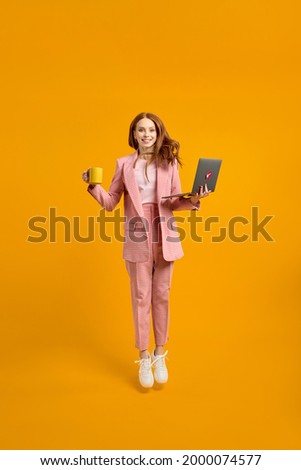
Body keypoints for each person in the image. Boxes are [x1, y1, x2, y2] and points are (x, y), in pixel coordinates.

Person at [82, 112, 211, 388]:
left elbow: (175, 201)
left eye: (151, 130)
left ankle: (159, 353)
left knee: (161, 296)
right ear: (134, 135)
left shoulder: (169, 163)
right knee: (141, 296)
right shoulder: (124, 164)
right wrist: (93, 186)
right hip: (138, 235)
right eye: (141, 130)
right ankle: (143, 356)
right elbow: (110, 202)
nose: (146, 134)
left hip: (165, 234)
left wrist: (195, 198)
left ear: (158, 132)